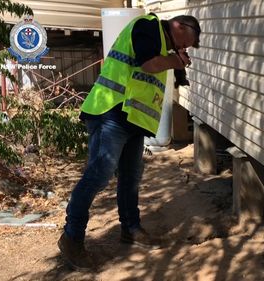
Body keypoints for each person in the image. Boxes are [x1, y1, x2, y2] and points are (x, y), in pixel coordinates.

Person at [57, 13, 201, 271]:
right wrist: (174, 61)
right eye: (187, 42)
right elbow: (147, 65)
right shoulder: (147, 26)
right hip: (110, 110)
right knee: (99, 176)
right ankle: (72, 237)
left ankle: (131, 229)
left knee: (130, 178)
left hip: (132, 119)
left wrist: (175, 63)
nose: (185, 48)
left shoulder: (163, 45)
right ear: (179, 26)